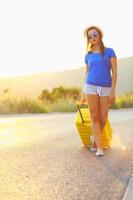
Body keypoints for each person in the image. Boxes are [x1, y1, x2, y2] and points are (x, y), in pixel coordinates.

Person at [80, 25, 117, 156]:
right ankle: (99, 148)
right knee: (94, 116)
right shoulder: (88, 55)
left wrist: (112, 91)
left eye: (94, 35)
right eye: (89, 37)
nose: (92, 38)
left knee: (103, 119)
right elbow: (87, 74)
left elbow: (115, 72)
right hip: (90, 87)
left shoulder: (109, 52)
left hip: (106, 87)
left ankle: (94, 140)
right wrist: (83, 93)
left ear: (100, 35)